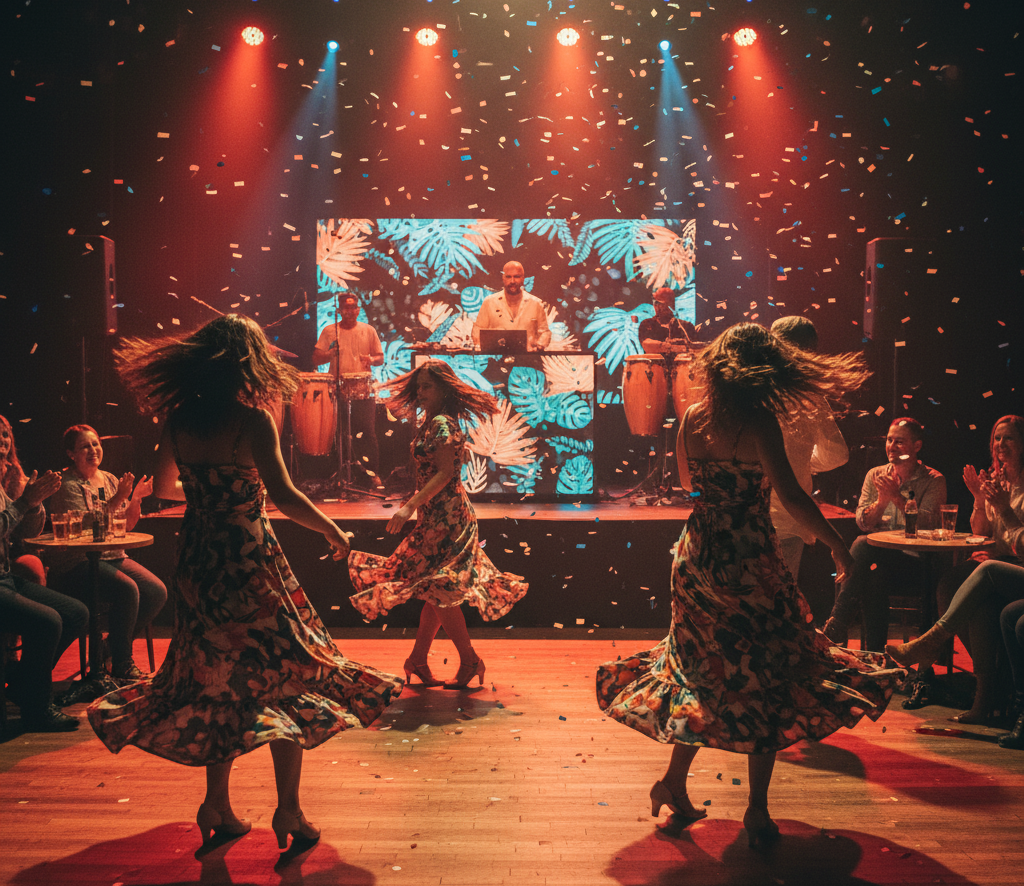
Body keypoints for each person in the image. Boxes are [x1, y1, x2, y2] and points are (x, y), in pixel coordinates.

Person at [87, 315, 403, 851]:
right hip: (246, 557)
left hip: (196, 557)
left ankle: (216, 803)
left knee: (215, 676)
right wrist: (332, 527)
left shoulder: (180, 418)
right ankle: (289, 811)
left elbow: (168, 485)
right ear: (246, 362)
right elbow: (283, 495)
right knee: (286, 670)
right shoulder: (253, 419)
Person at [596, 323, 904, 846]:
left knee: (701, 673)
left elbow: (691, 483)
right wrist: (834, 543)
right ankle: (756, 811)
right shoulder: (759, 420)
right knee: (769, 671)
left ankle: (674, 780)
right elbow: (791, 494)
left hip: (698, 556)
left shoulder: (692, 417)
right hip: (749, 556)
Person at [348, 360, 528, 689]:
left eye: (428, 386)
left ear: (444, 389)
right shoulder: (433, 422)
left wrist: (408, 507)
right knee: (433, 589)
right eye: (419, 387)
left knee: (442, 590)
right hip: (433, 517)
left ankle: (470, 661)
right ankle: (417, 660)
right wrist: (417, 509)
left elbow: (446, 474)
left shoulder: (443, 424)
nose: (421, 392)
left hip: (450, 518)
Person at [889, 415, 1024, 722]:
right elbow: (982, 530)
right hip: (1001, 562)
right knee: (950, 583)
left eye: (1010, 439)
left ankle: (932, 641)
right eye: (997, 439)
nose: (1001, 445)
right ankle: (986, 694)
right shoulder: (999, 481)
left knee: (986, 570)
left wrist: (1004, 508)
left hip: (1015, 566)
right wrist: (979, 499)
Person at [46, 425, 167, 683]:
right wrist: (118, 498)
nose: (93, 450)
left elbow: (127, 524)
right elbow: (86, 527)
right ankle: (122, 663)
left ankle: (108, 650)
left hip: (113, 556)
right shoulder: (66, 484)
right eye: (85, 446)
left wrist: (133, 499)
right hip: (77, 562)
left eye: (96, 444)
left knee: (156, 591)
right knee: (127, 589)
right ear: (71, 453)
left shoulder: (110, 479)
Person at [823, 418, 947, 651]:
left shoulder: (933, 479)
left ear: (916, 446)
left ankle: (837, 624)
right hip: (880, 562)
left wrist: (897, 498)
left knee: (861, 545)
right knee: (873, 575)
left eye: (899, 442)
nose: (892, 446)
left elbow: (929, 524)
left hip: (916, 561)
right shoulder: (875, 475)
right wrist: (882, 501)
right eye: (889, 440)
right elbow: (863, 521)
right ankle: (875, 654)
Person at [1, 417, 89, 732]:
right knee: (49, 620)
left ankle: (25, 683)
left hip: (5, 576)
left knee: (76, 612)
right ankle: (37, 708)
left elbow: (24, 532)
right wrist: (25, 501)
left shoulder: (7, 476)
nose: (3, 440)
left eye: (6, 434)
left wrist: (35, 505)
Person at [768, 316, 849, 581]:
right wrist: (801, 462)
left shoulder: (750, 390)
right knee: (780, 605)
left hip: (741, 520)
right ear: (810, 352)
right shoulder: (810, 396)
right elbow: (837, 454)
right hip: (789, 520)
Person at [311, 293, 385, 488]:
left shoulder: (368, 331)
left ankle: (372, 473)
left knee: (367, 432)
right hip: (337, 387)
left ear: (358, 310)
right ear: (339, 311)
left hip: (362, 388)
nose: (350, 312)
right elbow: (316, 358)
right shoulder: (330, 331)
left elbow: (380, 357)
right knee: (340, 432)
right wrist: (330, 353)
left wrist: (371, 360)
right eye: (346, 308)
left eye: (353, 308)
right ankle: (342, 473)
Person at [472, 260, 551, 351]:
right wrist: (483, 346)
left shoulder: (536, 303)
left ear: (523, 279)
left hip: (527, 360)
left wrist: (538, 346)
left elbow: (545, 332)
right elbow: (477, 330)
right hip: (497, 358)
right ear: (503, 278)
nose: (512, 281)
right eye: (508, 277)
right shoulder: (489, 302)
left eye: (516, 277)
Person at [639, 287, 696, 355]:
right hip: (656, 365)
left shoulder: (686, 326)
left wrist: (684, 345)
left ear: (669, 305)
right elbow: (646, 345)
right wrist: (669, 346)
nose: (656, 305)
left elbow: (695, 348)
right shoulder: (647, 324)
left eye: (659, 303)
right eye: (655, 302)